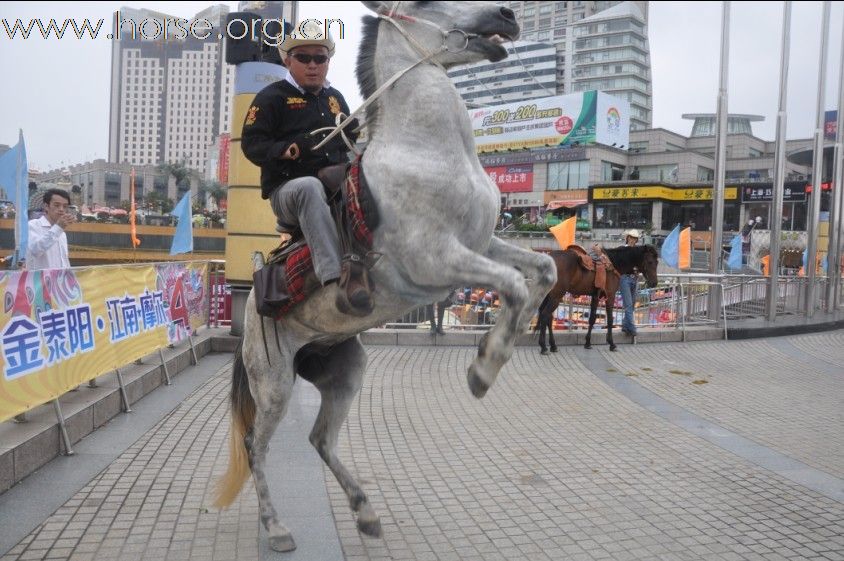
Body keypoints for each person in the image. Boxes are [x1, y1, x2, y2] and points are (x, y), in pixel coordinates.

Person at [240, 23, 369, 316]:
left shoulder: (335, 98)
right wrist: (284, 150)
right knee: (309, 187)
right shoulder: (271, 97)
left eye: (320, 58)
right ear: (288, 61)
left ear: (327, 62)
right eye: (304, 58)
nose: (313, 65)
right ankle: (333, 277)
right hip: (289, 192)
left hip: (336, 185)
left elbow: (349, 139)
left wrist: (353, 131)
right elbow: (251, 143)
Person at [26, 188, 74, 270]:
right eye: (57, 205)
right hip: (40, 281)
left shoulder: (62, 233)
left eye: (65, 206)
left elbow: (64, 261)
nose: (61, 209)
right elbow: (35, 250)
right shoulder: (33, 225)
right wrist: (58, 228)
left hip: (59, 281)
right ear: (46, 206)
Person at [618, 228, 641, 336]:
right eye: (631, 238)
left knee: (631, 304)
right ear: (627, 238)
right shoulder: (622, 249)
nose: (633, 240)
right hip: (625, 278)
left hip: (634, 279)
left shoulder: (637, 251)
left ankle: (625, 326)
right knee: (628, 304)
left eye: (635, 238)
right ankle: (632, 328)